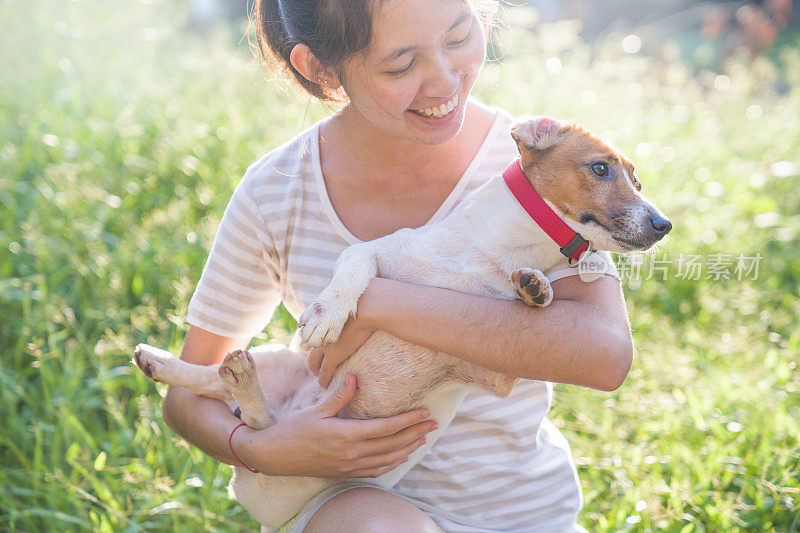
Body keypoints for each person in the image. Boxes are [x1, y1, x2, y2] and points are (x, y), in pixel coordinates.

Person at [161, 0, 634, 531]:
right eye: (400, 65)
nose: (443, 82)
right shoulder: (278, 192)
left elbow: (604, 355)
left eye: (458, 39)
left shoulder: (539, 170)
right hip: (348, 505)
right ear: (319, 68)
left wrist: (379, 302)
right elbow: (186, 393)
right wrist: (261, 450)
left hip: (521, 513)